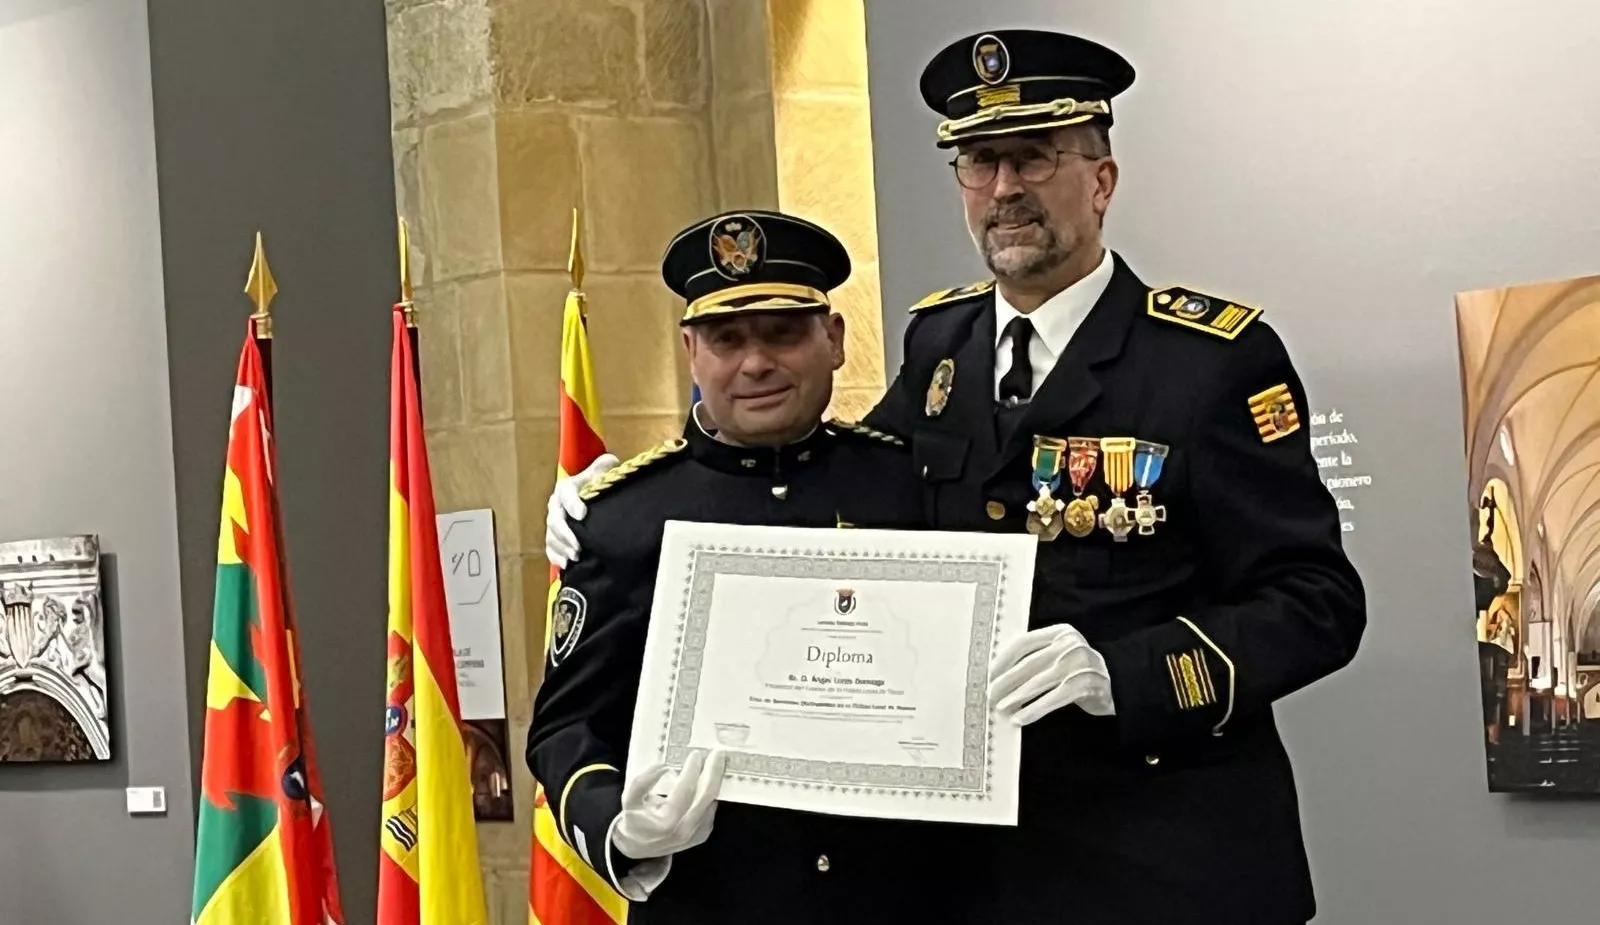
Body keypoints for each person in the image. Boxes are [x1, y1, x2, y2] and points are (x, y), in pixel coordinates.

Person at [548, 28, 1367, 925]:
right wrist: (616, 497)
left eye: (1034, 157)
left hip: (1166, 857)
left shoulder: (1210, 363)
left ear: (1102, 179)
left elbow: (1317, 600)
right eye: (981, 162)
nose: (1006, 188)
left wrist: (1120, 671)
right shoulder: (942, 343)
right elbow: (825, 468)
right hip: (976, 873)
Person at [526, 209, 978, 924]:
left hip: (905, 898)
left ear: (833, 339)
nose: (755, 362)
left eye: (783, 332)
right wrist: (620, 825)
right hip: (714, 900)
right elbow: (566, 726)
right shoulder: (622, 517)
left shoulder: (912, 486)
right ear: (690, 351)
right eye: (727, 338)